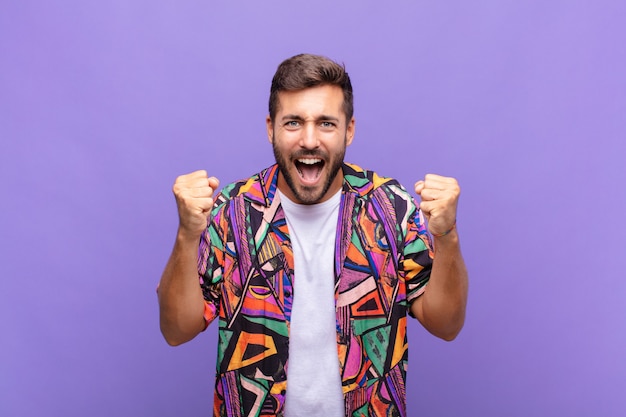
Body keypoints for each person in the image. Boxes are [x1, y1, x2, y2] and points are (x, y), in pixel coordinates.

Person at [157, 53, 468, 417]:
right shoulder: (232, 211)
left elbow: (446, 325)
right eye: (293, 123)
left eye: (325, 123)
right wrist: (186, 236)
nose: (309, 140)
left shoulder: (390, 207)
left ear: (349, 129)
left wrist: (447, 235)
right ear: (270, 128)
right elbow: (177, 330)